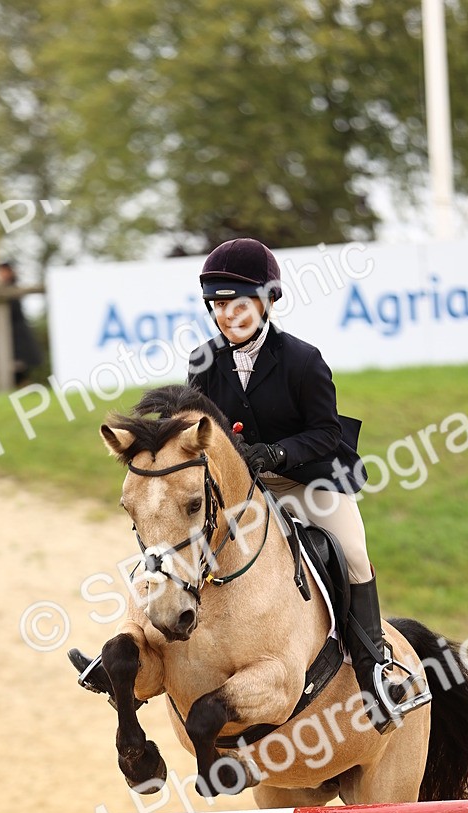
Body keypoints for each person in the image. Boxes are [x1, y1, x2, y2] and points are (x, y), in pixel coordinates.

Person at [69, 238, 426, 733]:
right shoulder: (203, 361)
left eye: (238, 303)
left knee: (353, 551)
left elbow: (325, 433)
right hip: (240, 489)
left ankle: (374, 669)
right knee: (174, 542)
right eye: (218, 305)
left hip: (306, 476)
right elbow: (188, 434)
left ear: (267, 300)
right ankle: (129, 651)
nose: (227, 314)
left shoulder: (303, 360)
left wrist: (276, 453)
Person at [0, 262, 43, 385]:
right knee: (15, 370)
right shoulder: (2, 288)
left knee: (19, 368)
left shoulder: (12, 289)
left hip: (17, 336)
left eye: (2, 271)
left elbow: (12, 310)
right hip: (7, 335)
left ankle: (23, 391)